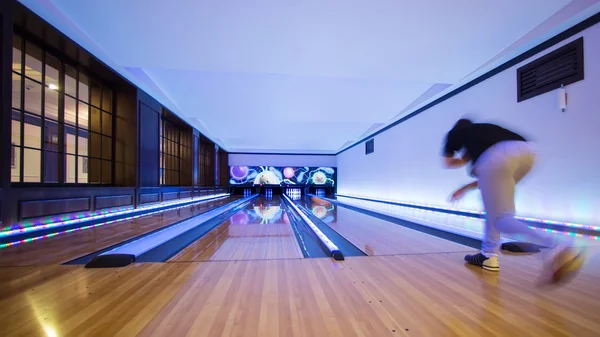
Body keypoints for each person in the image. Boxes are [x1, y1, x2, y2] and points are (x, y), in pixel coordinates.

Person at [442, 118, 585, 284]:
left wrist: (465, 158)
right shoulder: (485, 132)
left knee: (501, 217)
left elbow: (448, 163)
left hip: (497, 158)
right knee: (494, 210)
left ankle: (557, 245)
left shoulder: (455, 133)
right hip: (527, 153)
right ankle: (489, 255)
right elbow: (492, 173)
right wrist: (466, 187)